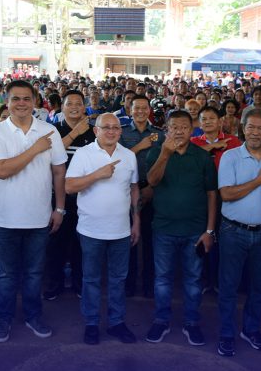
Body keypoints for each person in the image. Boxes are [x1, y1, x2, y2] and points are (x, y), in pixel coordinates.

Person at [0, 80, 67, 343]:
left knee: (33, 274)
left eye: (26, 99)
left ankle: (33, 316)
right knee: (7, 274)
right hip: (6, 218)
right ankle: (3, 318)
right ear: (6, 102)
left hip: (39, 217)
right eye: (15, 98)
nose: (21, 103)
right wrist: (34, 149)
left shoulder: (49, 131)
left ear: (35, 101)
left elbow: (59, 172)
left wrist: (60, 208)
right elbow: (2, 170)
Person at [144, 110, 217, 346]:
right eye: (174, 127)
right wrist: (165, 154)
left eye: (184, 127)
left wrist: (209, 230)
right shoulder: (157, 151)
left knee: (193, 280)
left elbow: (211, 194)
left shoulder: (202, 156)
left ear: (192, 129)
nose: (179, 131)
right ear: (167, 129)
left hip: (195, 231)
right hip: (164, 228)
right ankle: (161, 320)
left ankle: (192, 323)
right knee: (162, 280)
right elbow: (153, 181)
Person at [217, 108, 261, 357]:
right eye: (251, 127)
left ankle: (251, 329)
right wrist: (258, 181)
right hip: (232, 231)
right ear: (242, 128)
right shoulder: (230, 157)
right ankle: (226, 333)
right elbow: (226, 194)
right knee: (228, 285)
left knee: (259, 287)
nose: (255, 132)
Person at [65, 113, 140, 345]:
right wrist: (98, 174)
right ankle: (91, 323)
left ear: (120, 131)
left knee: (118, 279)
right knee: (91, 279)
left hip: (120, 230)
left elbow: (134, 188)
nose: (111, 131)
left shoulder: (128, 156)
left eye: (115, 127)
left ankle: (117, 322)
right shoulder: (83, 154)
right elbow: (69, 186)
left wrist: (135, 220)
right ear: (95, 131)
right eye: (105, 127)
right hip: (91, 230)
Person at [44, 90, 96, 300]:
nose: (74, 107)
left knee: (81, 243)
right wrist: (74, 134)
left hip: (87, 196)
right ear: (62, 107)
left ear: (84, 107)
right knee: (56, 241)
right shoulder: (53, 130)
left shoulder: (94, 132)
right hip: (59, 196)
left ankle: (78, 283)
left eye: (78, 103)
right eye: (69, 103)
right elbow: (48, 154)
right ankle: (54, 283)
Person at [119, 94, 165, 298]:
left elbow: (165, 163)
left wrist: (152, 189)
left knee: (150, 240)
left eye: (144, 108)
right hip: (125, 191)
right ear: (130, 110)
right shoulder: (120, 133)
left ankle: (148, 284)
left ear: (149, 111)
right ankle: (128, 284)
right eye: (136, 108)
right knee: (127, 239)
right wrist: (140, 146)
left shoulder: (159, 134)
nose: (139, 111)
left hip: (151, 191)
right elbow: (115, 158)